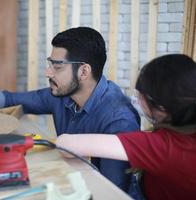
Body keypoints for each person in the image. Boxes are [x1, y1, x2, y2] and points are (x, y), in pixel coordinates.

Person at [0, 27, 140, 192]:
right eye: (50, 64)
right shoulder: (62, 94)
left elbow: (112, 191)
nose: (47, 72)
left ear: (84, 71)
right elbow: (9, 99)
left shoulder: (118, 119)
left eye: (57, 67)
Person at [56, 54, 196, 200]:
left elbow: (65, 145)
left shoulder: (161, 147)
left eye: (140, 96)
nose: (135, 99)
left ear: (161, 109)